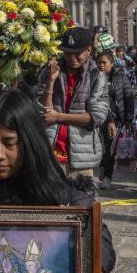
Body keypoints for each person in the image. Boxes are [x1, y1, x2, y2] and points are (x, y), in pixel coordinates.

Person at [0, 88, 115, 273]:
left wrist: (96, 269)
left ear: (29, 143)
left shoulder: (62, 198)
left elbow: (99, 239)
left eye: (9, 143)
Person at [37, 27, 109, 179]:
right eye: (67, 52)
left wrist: (58, 117)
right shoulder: (50, 72)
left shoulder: (97, 76)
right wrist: (50, 81)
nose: (72, 57)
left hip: (82, 156)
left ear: (89, 50)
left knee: (81, 201)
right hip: (53, 153)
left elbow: (97, 117)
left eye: (77, 53)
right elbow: (42, 113)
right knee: (54, 201)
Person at [96, 50, 135, 189]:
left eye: (104, 63)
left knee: (110, 148)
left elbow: (129, 96)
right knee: (99, 146)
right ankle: (102, 165)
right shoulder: (94, 76)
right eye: (99, 62)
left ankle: (108, 176)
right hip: (98, 117)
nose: (101, 65)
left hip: (116, 119)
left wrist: (129, 118)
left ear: (111, 64)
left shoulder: (119, 76)